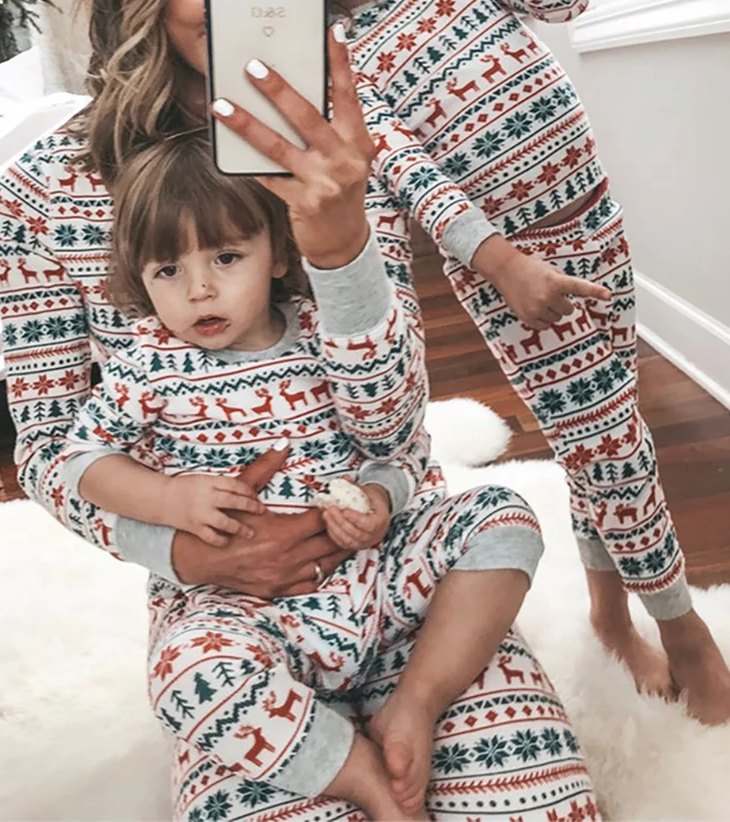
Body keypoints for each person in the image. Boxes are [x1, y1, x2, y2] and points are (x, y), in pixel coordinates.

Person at [0, 0, 600, 821]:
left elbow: (394, 427)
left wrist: (339, 243)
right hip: (228, 618)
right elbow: (50, 449)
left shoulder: (344, 144)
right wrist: (188, 555)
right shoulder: (41, 193)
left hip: (401, 574)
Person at [251, 0, 730, 725]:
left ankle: (609, 613)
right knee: (612, 445)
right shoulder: (331, 49)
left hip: (594, 224)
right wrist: (501, 263)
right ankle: (688, 635)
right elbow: (407, 172)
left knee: (599, 436)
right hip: (513, 262)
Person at [61, 125, 550, 820]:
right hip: (247, 610)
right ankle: (357, 774)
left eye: (226, 257)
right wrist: (168, 499)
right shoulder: (147, 363)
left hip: (377, 579)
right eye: (167, 271)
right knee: (184, 673)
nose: (199, 289)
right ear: (137, 278)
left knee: (503, 516)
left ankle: (415, 701)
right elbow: (82, 461)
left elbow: (397, 452)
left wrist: (380, 499)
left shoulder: (326, 332)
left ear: (278, 254)